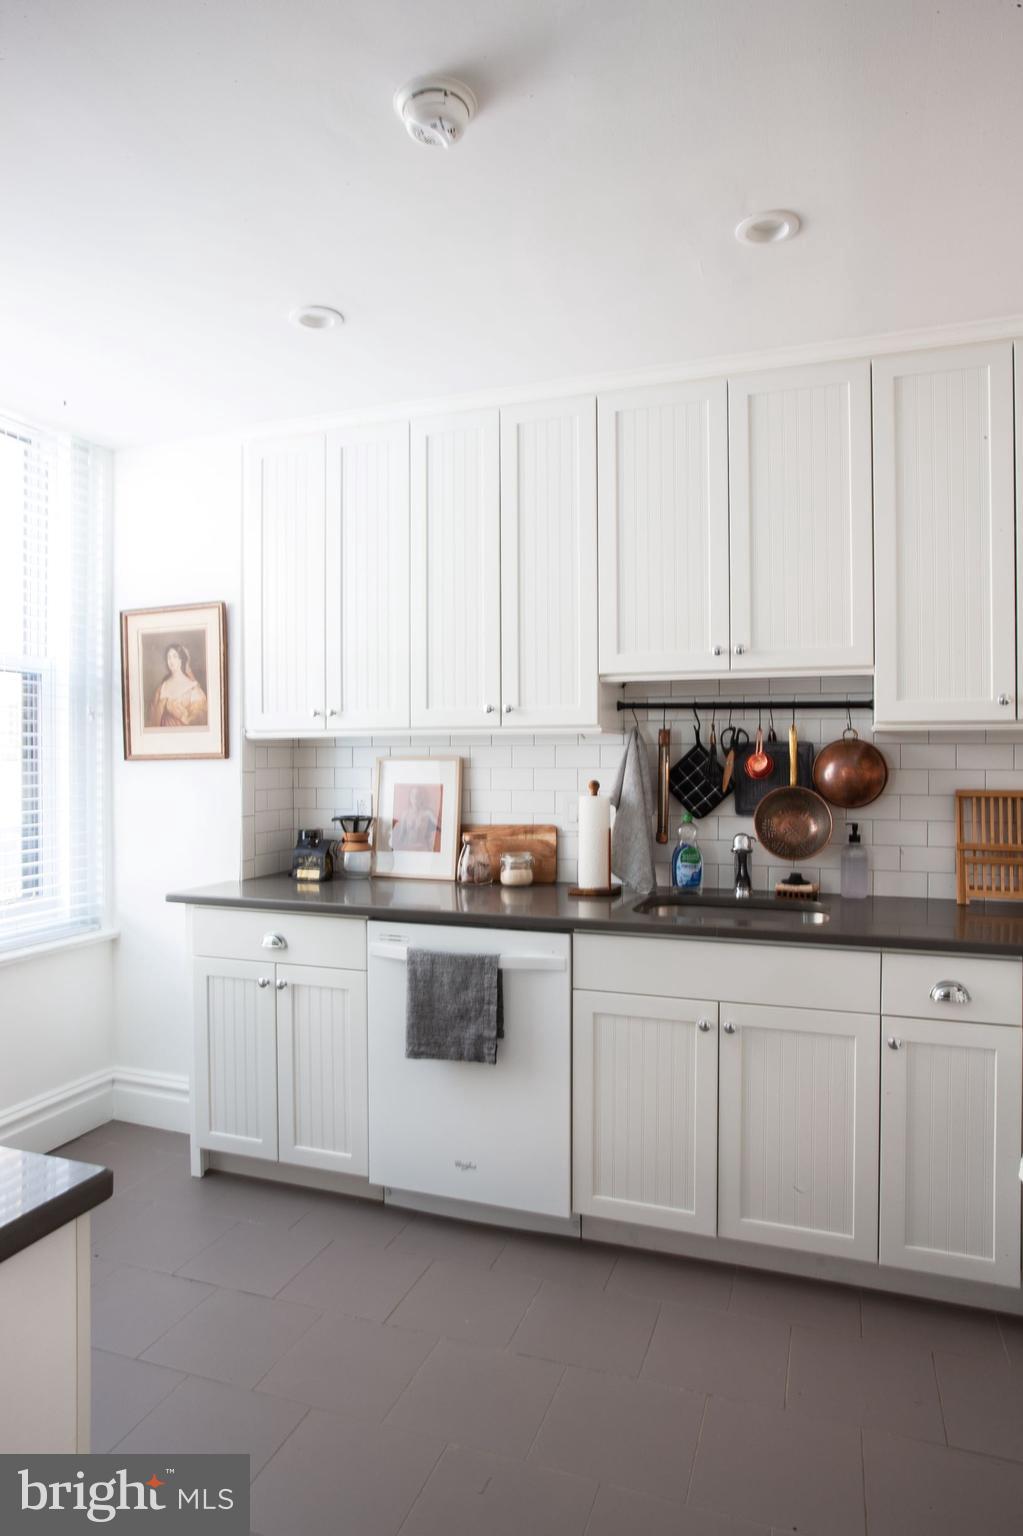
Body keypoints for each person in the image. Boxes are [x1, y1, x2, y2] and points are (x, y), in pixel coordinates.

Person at [147, 642, 208, 728]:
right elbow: (153, 718)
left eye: (174, 657)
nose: (171, 661)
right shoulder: (162, 687)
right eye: (169, 657)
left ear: (181, 660)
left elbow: (198, 720)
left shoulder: (192, 687)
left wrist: (176, 711)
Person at [390, 784, 441, 852]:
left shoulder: (427, 813)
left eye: (418, 795)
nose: (415, 798)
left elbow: (441, 826)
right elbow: (401, 836)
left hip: (422, 848)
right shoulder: (405, 814)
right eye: (413, 795)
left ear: (422, 797)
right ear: (410, 797)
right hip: (408, 848)